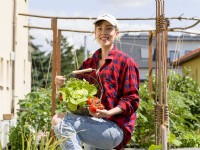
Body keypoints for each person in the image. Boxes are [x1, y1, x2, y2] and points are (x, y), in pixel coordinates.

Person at [51, 13, 140, 150]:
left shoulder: (125, 62)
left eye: (108, 28)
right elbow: (70, 95)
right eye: (99, 28)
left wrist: (109, 112)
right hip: (92, 124)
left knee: (60, 120)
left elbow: (132, 99)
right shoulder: (89, 63)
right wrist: (63, 86)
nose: (103, 32)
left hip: (115, 127)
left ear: (116, 33)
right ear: (95, 33)